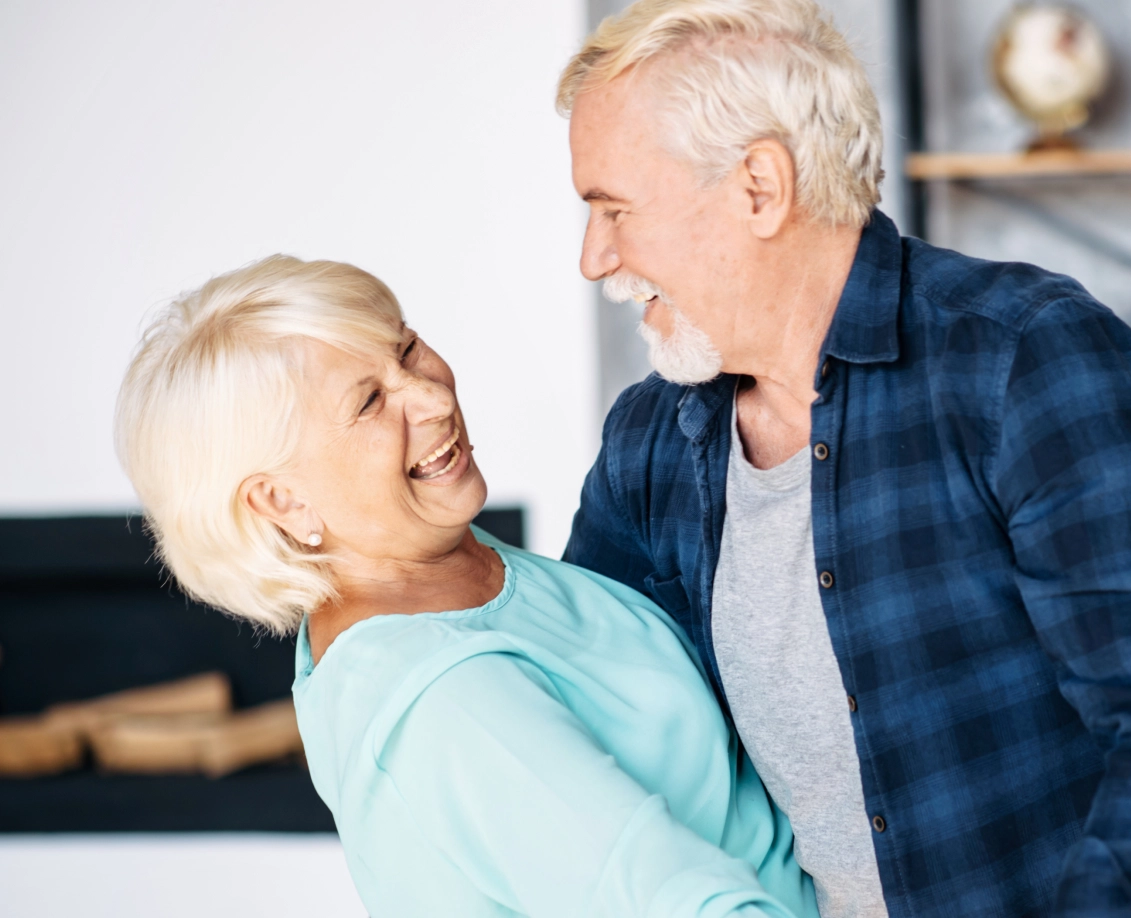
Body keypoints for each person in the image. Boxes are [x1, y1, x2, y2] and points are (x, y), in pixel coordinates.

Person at [558, 1, 1131, 916]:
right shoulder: (648, 442)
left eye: (615, 209)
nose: (595, 258)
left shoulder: (1027, 359)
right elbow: (578, 709)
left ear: (760, 188)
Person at [114, 255, 820, 918]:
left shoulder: (447, 571)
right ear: (283, 502)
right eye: (369, 402)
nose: (430, 396)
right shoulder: (437, 695)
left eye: (406, 348)